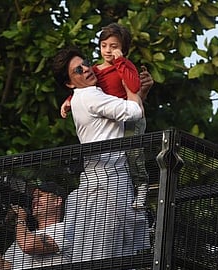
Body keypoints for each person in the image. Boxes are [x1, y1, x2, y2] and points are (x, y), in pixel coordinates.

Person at [52, 47, 151, 270]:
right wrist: (135, 93)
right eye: (78, 71)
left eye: (85, 65)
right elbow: (133, 113)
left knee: (117, 258)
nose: (87, 70)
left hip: (114, 179)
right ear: (70, 83)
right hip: (103, 181)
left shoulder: (87, 94)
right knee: (98, 254)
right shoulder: (89, 96)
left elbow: (129, 118)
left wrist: (134, 89)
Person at [60, 23, 152, 209]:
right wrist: (69, 100)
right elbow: (86, 87)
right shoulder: (95, 69)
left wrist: (120, 63)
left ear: (123, 50)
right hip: (115, 118)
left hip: (131, 118)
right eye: (104, 46)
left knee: (133, 154)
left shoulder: (125, 66)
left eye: (114, 46)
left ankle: (141, 186)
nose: (108, 50)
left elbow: (133, 87)